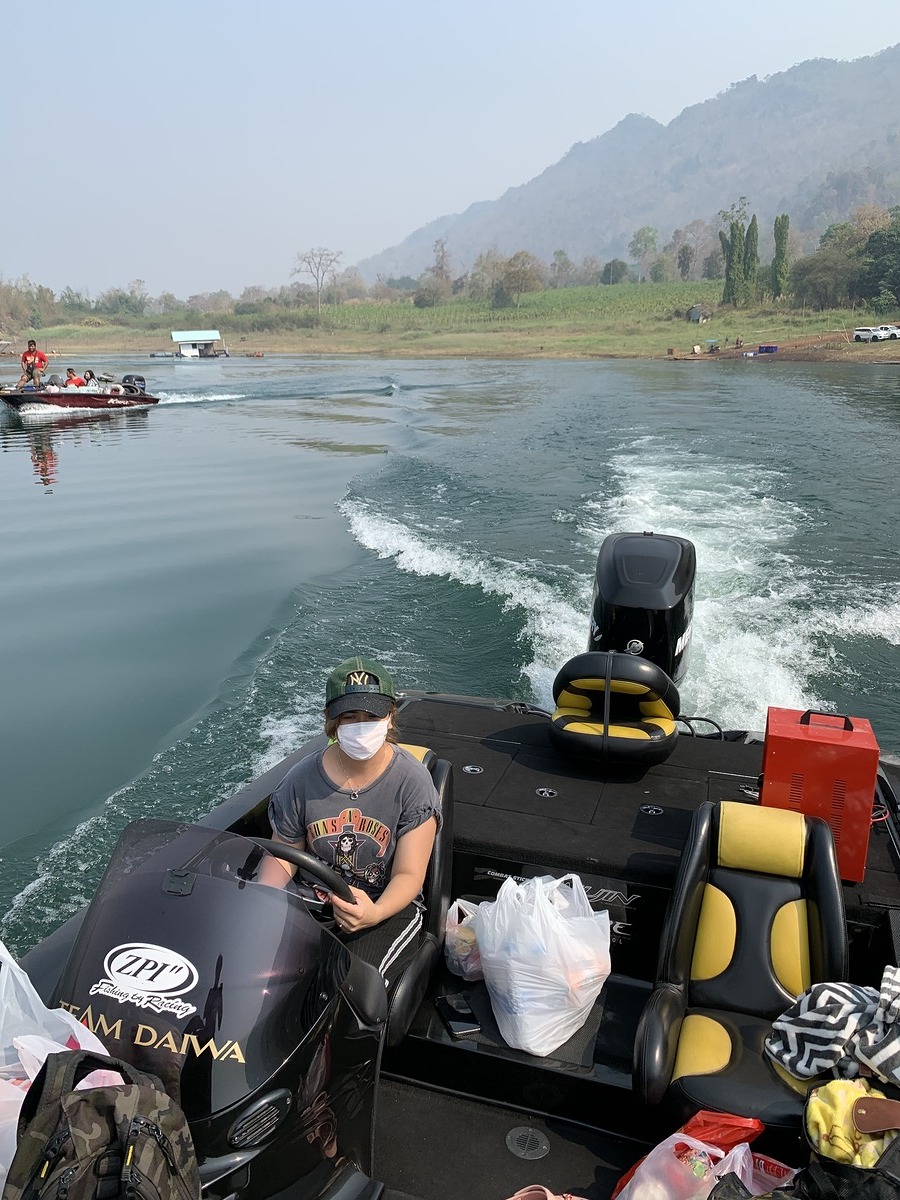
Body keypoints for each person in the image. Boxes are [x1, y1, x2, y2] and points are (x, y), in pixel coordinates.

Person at [262, 656, 441, 984]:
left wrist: (373, 912)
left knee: (350, 987)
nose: (362, 725)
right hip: (311, 902)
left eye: (371, 715)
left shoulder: (412, 783)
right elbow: (283, 859)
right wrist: (260, 909)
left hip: (386, 906)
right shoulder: (298, 781)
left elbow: (408, 875)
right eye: (350, 716)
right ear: (330, 721)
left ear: (390, 718)